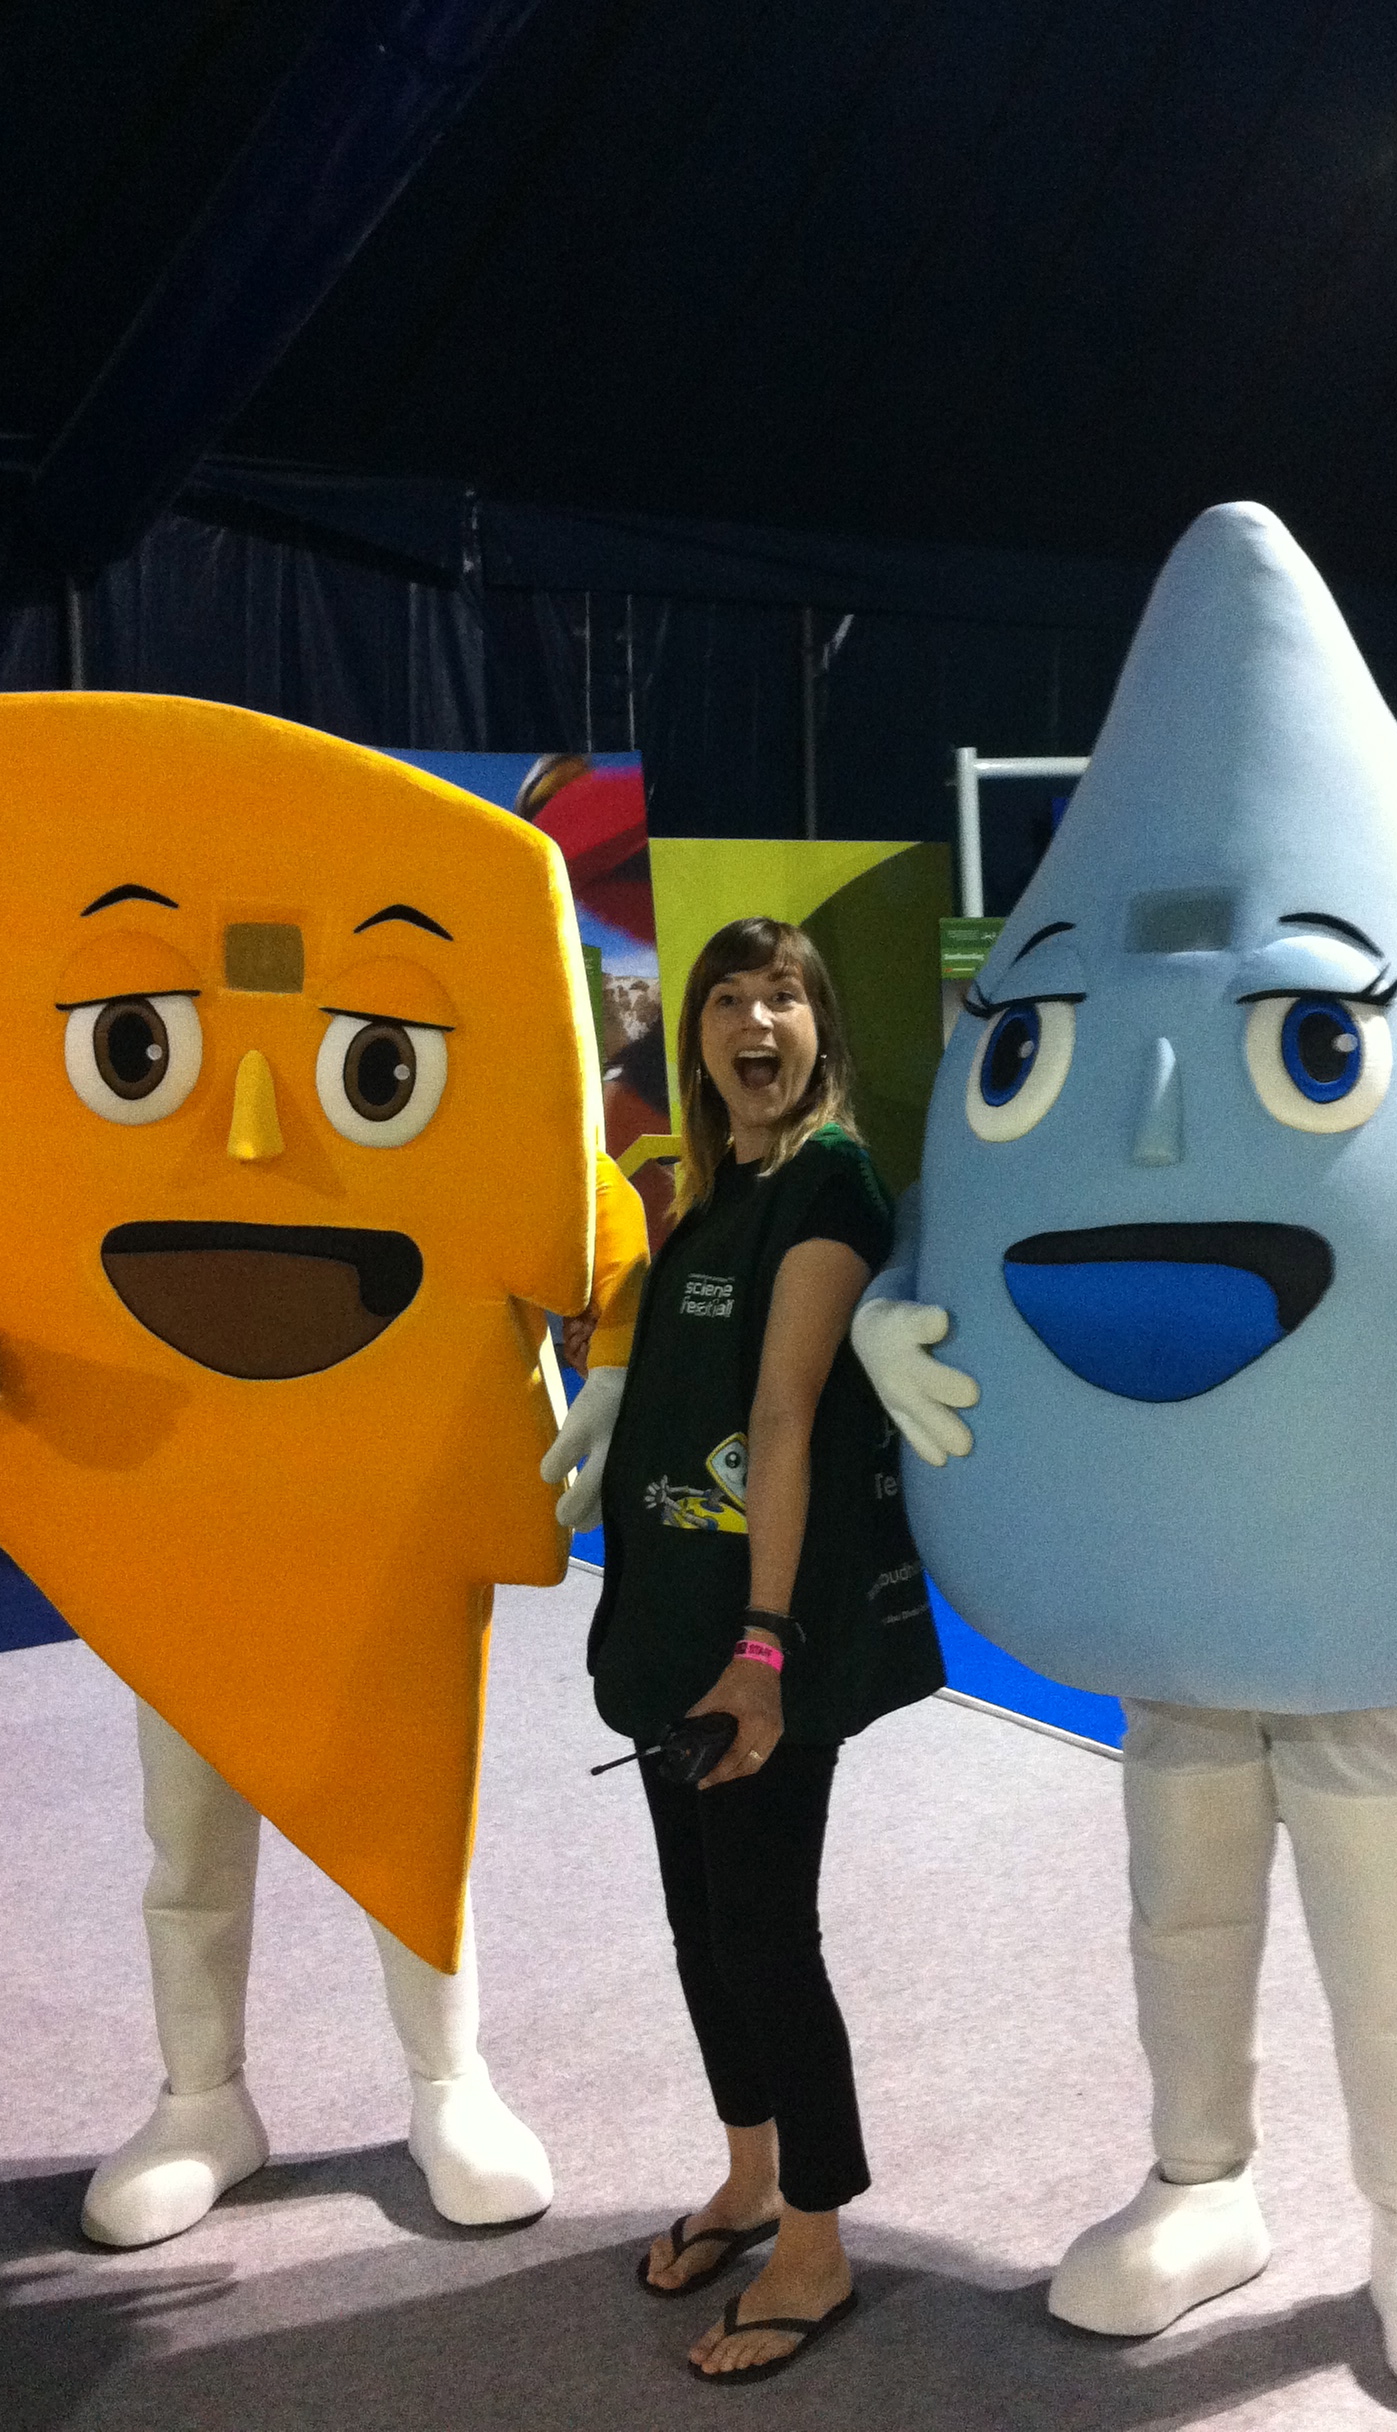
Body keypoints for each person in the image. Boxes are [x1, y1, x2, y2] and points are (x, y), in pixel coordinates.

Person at [546, 917, 942, 2386]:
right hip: (671, 1635)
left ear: (820, 1028)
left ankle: (818, 2244)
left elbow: (786, 1414)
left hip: (762, 1643)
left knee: (769, 1936)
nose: (753, 1022)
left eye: (782, 997)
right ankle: (750, 2178)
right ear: (695, 1036)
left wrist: (763, 1648)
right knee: (701, 1931)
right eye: (727, 999)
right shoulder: (712, 1197)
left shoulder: (828, 1183)